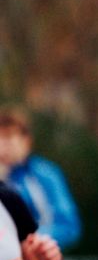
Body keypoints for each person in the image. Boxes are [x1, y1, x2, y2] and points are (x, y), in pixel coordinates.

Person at [0, 107, 82, 252]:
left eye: (8, 137)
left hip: (36, 258)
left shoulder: (44, 175)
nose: (3, 145)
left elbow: (68, 226)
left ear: (26, 141)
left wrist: (29, 238)